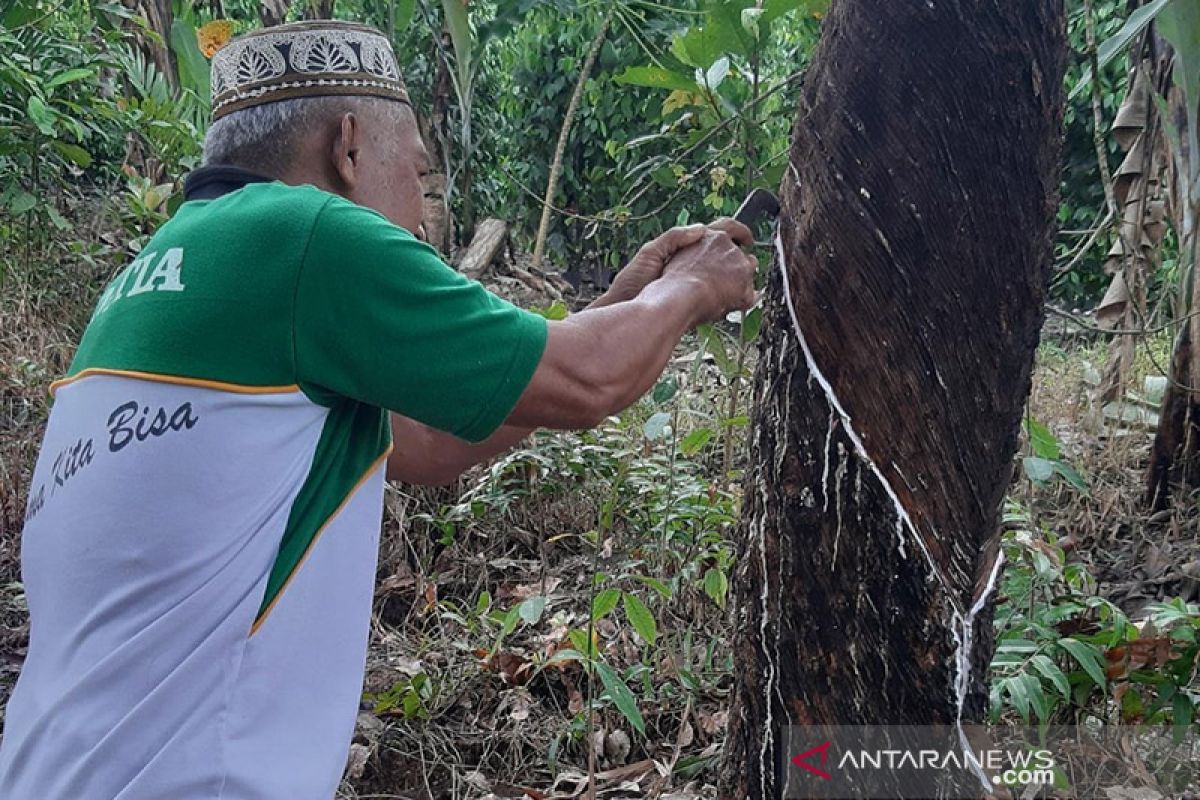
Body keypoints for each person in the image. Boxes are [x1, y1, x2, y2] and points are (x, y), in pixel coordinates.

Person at [0, 20, 756, 799]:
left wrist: (619, 307)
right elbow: (589, 383)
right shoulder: (303, 234)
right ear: (349, 148)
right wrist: (693, 287)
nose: (425, 218)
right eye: (421, 177)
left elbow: (432, 440)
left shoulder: (157, 277)